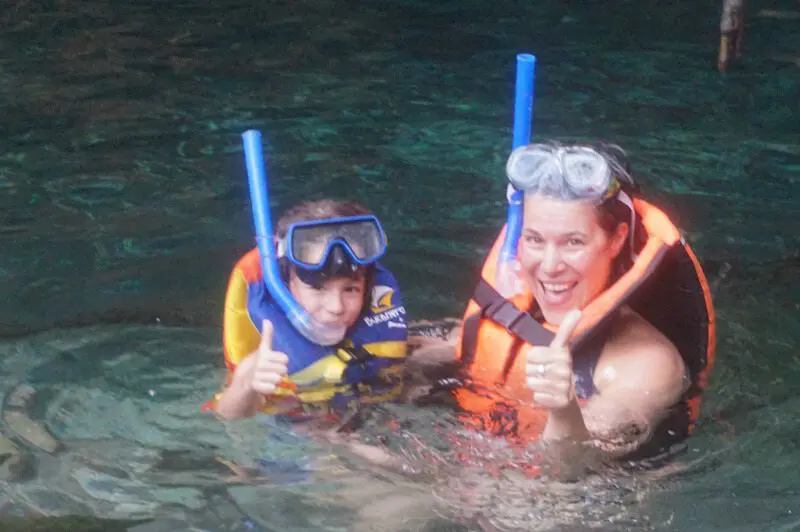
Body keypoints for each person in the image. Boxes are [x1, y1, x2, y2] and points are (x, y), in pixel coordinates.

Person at [417, 140, 716, 463]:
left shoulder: (647, 365)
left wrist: (563, 411)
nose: (549, 266)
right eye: (534, 240)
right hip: (472, 465)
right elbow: (453, 350)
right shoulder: (517, 311)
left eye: (573, 242)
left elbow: (574, 468)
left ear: (616, 239)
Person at [208, 199, 409, 423]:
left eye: (351, 289)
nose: (336, 307)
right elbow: (226, 414)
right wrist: (248, 385)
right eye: (317, 288)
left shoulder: (372, 326)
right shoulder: (265, 360)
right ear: (284, 286)